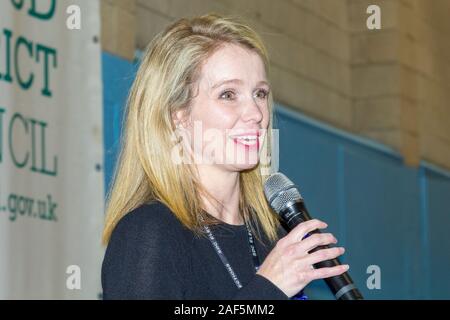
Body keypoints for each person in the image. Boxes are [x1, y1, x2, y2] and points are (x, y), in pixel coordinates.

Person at [101, 13, 348, 300]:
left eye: (260, 93)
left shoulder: (270, 236)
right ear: (178, 115)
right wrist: (268, 289)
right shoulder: (148, 234)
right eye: (228, 95)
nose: (256, 114)